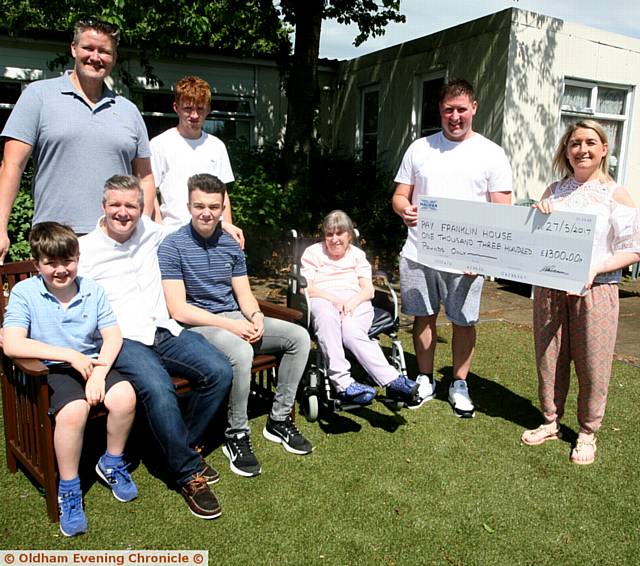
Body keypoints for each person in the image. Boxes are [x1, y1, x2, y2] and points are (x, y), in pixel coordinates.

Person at [78, 174, 232, 519]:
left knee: (219, 371)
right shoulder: (85, 251)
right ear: (103, 207)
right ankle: (187, 472)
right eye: (115, 205)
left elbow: (197, 224)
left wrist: (227, 229)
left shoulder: (153, 231)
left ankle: (177, 446)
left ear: (141, 207)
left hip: (163, 329)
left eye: (131, 205)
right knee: (160, 390)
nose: (123, 212)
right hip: (122, 339)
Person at [158, 173, 313, 478]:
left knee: (299, 336)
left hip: (235, 319)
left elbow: (243, 294)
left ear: (222, 207)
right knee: (241, 352)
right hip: (199, 325)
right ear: (188, 205)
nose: (207, 213)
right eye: (200, 205)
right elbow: (179, 310)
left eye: (214, 206)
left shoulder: (230, 244)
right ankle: (236, 435)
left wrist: (254, 316)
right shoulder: (172, 246)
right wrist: (232, 327)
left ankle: (279, 419)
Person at [2, 222, 137, 537]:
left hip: (91, 364)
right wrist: (69, 355)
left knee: (125, 397)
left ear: (78, 257)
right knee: (75, 410)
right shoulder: (25, 292)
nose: (61, 270)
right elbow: (12, 343)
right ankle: (69, 488)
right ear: (37, 264)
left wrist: (101, 371)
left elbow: (113, 336)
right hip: (49, 368)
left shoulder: (92, 289)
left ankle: (111, 462)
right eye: (51, 263)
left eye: (68, 261)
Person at [521, 119, 640, 465]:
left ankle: (587, 432)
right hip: (551, 289)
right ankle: (550, 421)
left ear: (604, 149)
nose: (582, 150)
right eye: (575, 143)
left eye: (590, 142)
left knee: (593, 363)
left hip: (597, 289)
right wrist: (536, 215)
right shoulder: (554, 190)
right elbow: (533, 240)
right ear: (566, 151)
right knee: (549, 357)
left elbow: (633, 249)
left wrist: (595, 268)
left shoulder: (615, 193)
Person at [392, 78, 512, 418]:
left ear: (474, 108)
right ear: (440, 111)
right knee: (423, 316)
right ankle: (425, 377)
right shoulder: (420, 148)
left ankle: (459, 383)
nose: (455, 116)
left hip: (467, 259)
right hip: (418, 252)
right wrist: (405, 209)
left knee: (463, 321)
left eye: (461, 109)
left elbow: (501, 211)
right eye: (448, 110)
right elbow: (400, 195)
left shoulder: (492, 153)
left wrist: (484, 254)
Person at [0, 18, 156, 263]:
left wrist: (143, 228)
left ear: (114, 58)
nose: (96, 57)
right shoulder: (38, 96)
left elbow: (145, 177)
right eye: (88, 48)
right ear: (73, 48)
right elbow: (12, 166)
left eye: (104, 51)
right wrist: (0, 226)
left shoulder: (128, 111)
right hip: (56, 241)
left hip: (118, 242)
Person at [300, 210, 420, 407]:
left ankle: (391, 381)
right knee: (326, 315)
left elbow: (368, 290)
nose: (334, 239)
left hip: (356, 300)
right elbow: (308, 286)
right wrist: (333, 299)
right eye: (329, 234)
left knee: (349, 330)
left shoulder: (357, 255)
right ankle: (343, 383)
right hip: (322, 298)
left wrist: (351, 303)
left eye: (339, 233)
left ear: (349, 234)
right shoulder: (313, 252)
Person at [149, 76, 238, 234]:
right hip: (173, 233)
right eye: (188, 109)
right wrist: (159, 230)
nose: (195, 115)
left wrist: (228, 230)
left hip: (212, 234)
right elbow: (150, 191)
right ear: (176, 108)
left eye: (200, 109)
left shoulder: (217, 146)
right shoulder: (159, 145)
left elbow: (223, 193)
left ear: (208, 109)